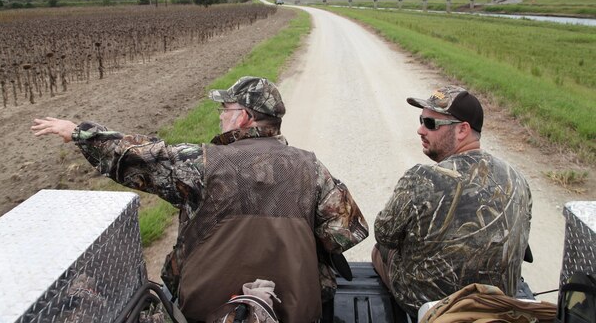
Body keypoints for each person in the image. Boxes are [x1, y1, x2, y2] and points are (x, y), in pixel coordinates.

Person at [32, 76, 369, 323]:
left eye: (226, 108)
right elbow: (346, 231)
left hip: (206, 311)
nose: (221, 115)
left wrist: (80, 133)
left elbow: (145, 157)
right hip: (297, 312)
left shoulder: (204, 163)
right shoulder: (310, 166)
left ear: (245, 117)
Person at [372, 85, 532, 318]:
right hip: (497, 305)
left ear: (462, 130)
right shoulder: (516, 178)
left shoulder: (422, 177)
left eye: (430, 124)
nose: (420, 130)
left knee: (381, 250)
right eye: (421, 120)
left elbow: (384, 233)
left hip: (432, 307)